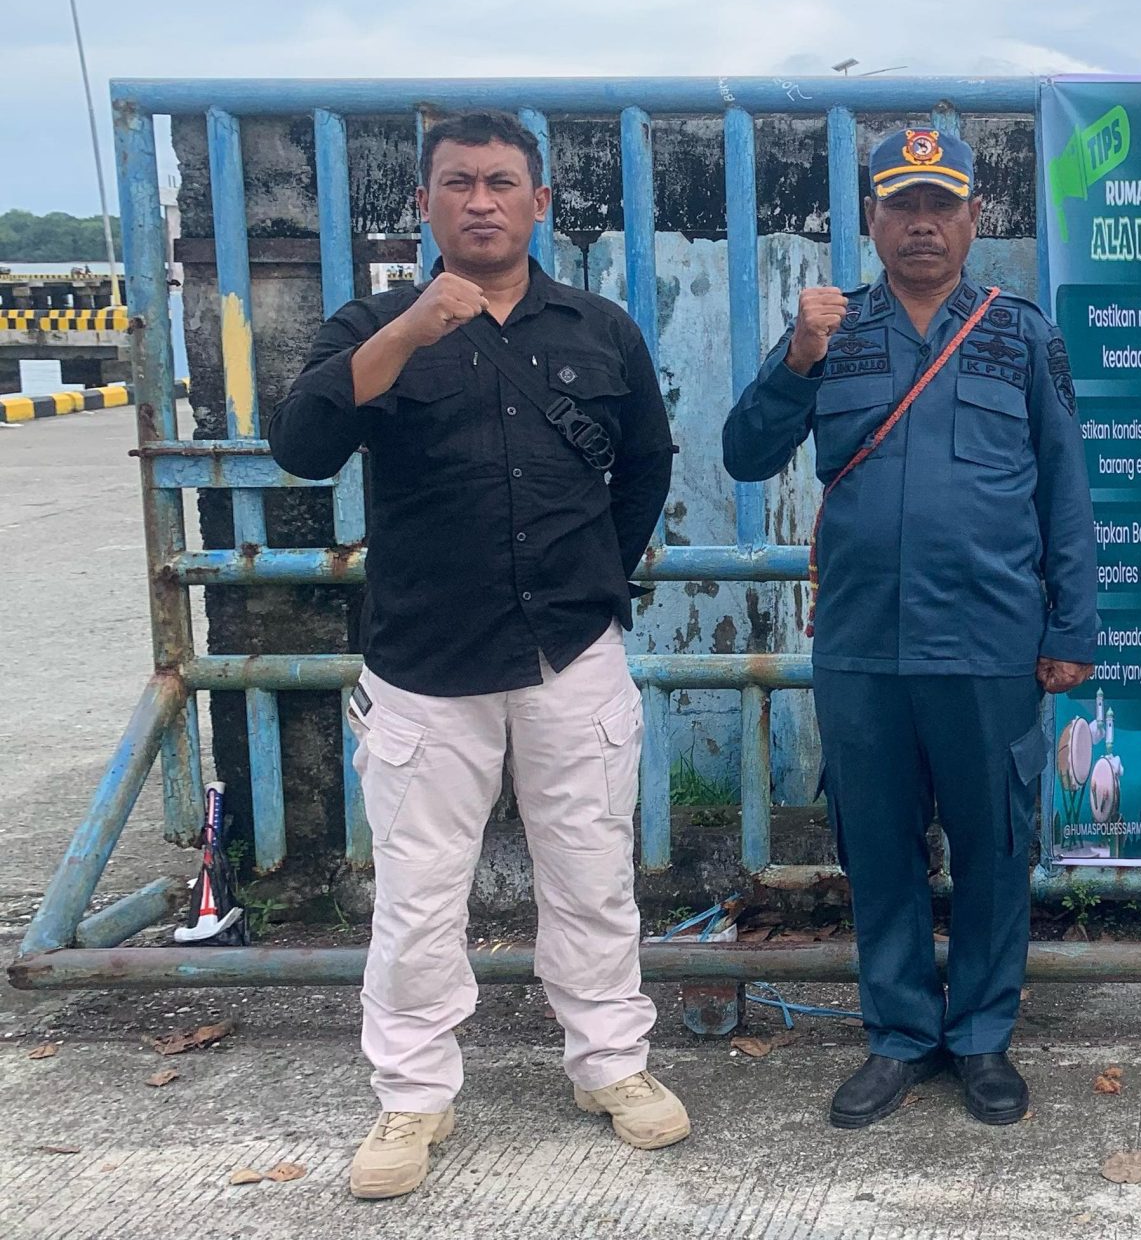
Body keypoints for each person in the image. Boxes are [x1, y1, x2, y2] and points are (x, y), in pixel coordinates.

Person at [269, 111, 684, 1200]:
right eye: (459, 183)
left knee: (592, 874)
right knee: (417, 892)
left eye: (504, 182)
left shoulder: (599, 329)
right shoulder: (372, 323)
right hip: (424, 664)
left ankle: (611, 1066)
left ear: (541, 203)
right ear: (426, 203)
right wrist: (408, 334)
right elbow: (301, 448)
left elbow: (643, 467)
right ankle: (410, 1098)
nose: (483, 201)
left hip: (570, 655)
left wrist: (593, 580)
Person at [721, 127, 1097, 1131]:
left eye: (942, 206)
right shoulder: (828, 327)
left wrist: (1073, 626)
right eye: (902, 206)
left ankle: (979, 1036)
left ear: (975, 217)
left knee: (990, 846)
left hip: (988, 640)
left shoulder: (1022, 335)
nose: (922, 225)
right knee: (878, 850)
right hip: (862, 644)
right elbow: (745, 455)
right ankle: (895, 1035)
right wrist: (796, 360)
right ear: (874, 220)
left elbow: (1065, 488)